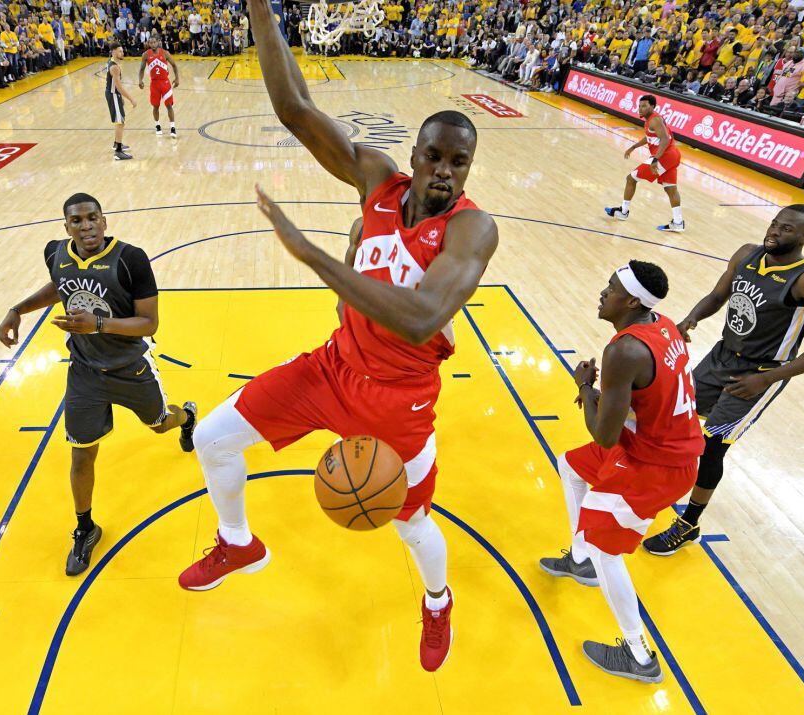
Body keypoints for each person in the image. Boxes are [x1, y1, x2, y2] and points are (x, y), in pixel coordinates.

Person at [178, 0, 498, 673]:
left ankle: (437, 601)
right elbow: (294, 108)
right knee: (211, 437)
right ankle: (237, 541)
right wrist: (260, 10)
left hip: (400, 400)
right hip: (332, 368)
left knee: (411, 524)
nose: (444, 170)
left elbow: (418, 317)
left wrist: (313, 255)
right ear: (413, 156)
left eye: (458, 162)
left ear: (468, 169)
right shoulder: (378, 180)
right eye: (434, 156)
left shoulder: (472, 230)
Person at [0, 193, 198, 575]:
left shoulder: (131, 259)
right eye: (77, 221)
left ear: (105, 221)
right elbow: (59, 286)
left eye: (93, 218)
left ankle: (186, 417)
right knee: (81, 453)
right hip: (84, 370)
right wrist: (17, 309)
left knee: (159, 425)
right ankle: (85, 527)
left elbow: (149, 323)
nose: (86, 226)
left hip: (130, 366)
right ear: (66, 227)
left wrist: (99, 324)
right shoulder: (55, 252)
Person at [643, 206, 804, 555]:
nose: (775, 232)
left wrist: (767, 380)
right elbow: (717, 296)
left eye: (786, 229)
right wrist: (690, 319)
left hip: (760, 372)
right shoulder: (746, 254)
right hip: (721, 355)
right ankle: (655, 483)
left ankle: (688, 523)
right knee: (675, 416)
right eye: (773, 224)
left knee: (712, 447)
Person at [539, 260, 702, 683]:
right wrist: (607, 395)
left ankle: (639, 656)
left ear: (631, 301)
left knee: (606, 548)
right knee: (571, 465)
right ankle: (580, 561)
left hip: (654, 465)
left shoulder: (624, 350)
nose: (602, 293)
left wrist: (584, 387)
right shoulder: (662, 324)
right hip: (658, 447)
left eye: (609, 287)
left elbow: (604, 435)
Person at [604, 94, 685, 232]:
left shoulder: (655, 120)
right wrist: (634, 146)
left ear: (653, 107)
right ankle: (678, 222)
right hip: (673, 156)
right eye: (639, 106)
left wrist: (655, 159)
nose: (640, 109)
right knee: (670, 188)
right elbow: (650, 137)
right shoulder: (650, 120)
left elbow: (665, 139)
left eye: (644, 106)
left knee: (631, 178)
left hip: (665, 156)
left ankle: (623, 212)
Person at [137, 34, 179, 137]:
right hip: (154, 84)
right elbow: (142, 69)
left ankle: (172, 127)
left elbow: (174, 65)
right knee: (155, 106)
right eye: (150, 42)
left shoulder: (165, 53)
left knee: (169, 105)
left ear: (158, 42)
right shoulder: (146, 55)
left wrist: (177, 78)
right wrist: (140, 80)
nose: (152, 44)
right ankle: (157, 125)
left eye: (154, 42)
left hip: (165, 83)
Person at [105, 42, 135, 160]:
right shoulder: (114, 67)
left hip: (113, 94)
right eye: (120, 51)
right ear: (113, 52)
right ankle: (118, 152)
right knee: (120, 122)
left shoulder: (112, 62)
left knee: (120, 120)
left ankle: (117, 143)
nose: (122, 53)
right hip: (113, 94)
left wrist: (120, 97)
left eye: (122, 51)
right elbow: (119, 87)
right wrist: (131, 99)